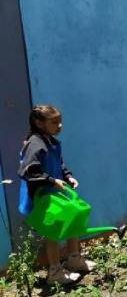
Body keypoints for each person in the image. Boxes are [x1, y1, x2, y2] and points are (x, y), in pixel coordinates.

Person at [18, 105, 96, 285]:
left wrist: (68, 176)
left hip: (56, 194)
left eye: (60, 121)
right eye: (54, 122)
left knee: (73, 220)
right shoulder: (35, 143)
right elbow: (28, 171)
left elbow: (59, 163)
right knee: (51, 233)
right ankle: (54, 272)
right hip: (42, 196)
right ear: (39, 122)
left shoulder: (51, 141)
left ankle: (73, 259)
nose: (59, 125)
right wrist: (51, 181)